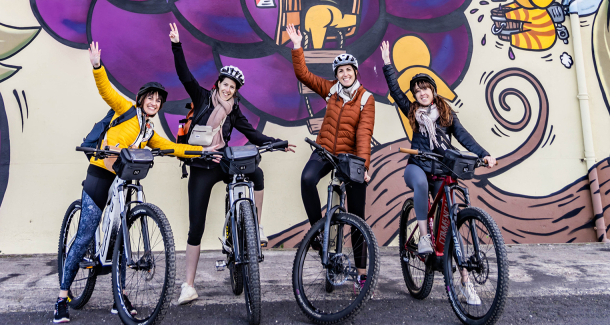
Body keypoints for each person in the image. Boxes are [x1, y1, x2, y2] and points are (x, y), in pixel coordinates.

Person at [54, 42, 215, 324]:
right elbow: (106, 91)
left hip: (124, 180)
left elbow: (170, 147)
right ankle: (62, 297)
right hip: (100, 175)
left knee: (121, 240)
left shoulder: (149, 129)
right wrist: (96, 66)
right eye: (150, 98)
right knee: (84, 235)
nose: (154, 103)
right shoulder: (125, 109)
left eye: (158, 100)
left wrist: (201, 151)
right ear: (141, 98)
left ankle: (121, 295)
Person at [169, 23, 295, 305]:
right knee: (196, 226)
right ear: (218, 84)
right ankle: (188, 284)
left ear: (236, 91)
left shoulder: (234, 110)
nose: (228, 89)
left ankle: (254, 228)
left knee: (257, 173)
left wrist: (278, 142)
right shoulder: (202, 97)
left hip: (222, 161)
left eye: (233, 87)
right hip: (202, 165)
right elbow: (184, 74)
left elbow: (252, 133)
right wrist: (177, 45)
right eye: (225, 84)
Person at [380, 40, 496, 305]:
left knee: (451, 223)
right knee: (420, 185)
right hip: (417, 165)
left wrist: (483, 154)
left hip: (444, 168)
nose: (422, 93)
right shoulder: (411, 111)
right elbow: (396, 90)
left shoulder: (445, 112)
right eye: (418, 90)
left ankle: (465, 283)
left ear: (433, 91)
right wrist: (388, 64)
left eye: (426, 89)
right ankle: (422, 237)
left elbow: (463, 135)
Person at [285, 23, 375, 293]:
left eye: (348, 70)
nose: (344, 74)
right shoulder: (331, 90)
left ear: (355, 73)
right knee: (307, 179)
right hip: (325, 150)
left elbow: (364, 133)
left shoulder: (366, 98)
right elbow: (304, 75)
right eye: (340, 71)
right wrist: (297, 46)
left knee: (357, 216)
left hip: (351, 158)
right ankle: (318, 232)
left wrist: (363, 166)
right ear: (336, 75)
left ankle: (360, 273)